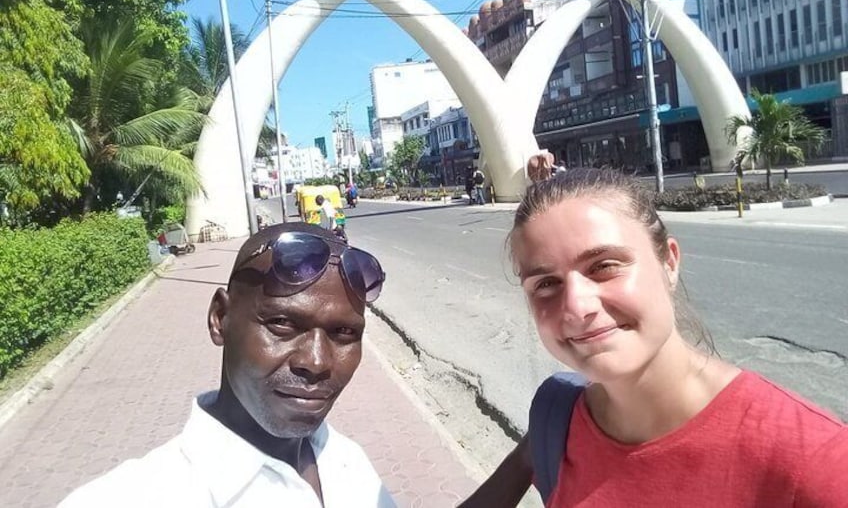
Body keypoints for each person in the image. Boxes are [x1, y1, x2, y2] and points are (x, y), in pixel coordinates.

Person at [463, 167, 847, 507]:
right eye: (546, 284)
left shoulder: (816, 463)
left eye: (604, 266)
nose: (577, 307)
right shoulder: (557, 421)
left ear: (670, 263)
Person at [60, 223, 392, 507]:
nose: (317, 361)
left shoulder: (349, 461)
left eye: (344, 332)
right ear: (220, 319)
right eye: (282, 325)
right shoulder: (130, 497)